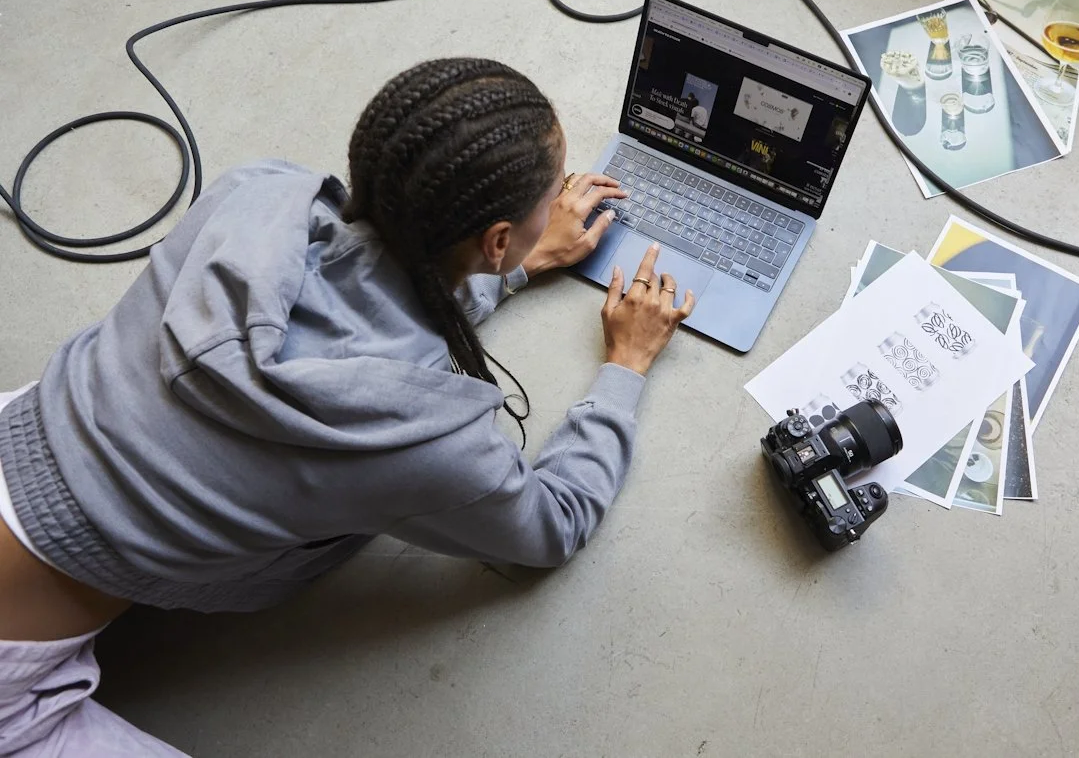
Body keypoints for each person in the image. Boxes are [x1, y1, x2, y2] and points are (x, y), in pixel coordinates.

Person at [0, 57, 695, 755]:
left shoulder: (258, 192)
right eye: (551, 196)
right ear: (496, 236)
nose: (558, 206)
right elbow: (552, 525)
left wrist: (507, 267)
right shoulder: (420, 440)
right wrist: (625, 365)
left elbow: (355, 290)